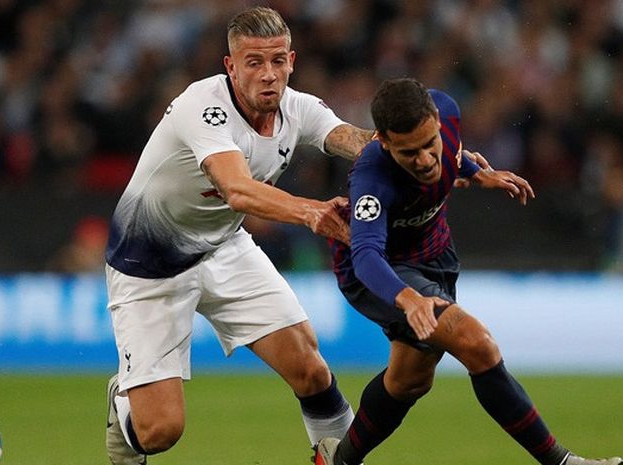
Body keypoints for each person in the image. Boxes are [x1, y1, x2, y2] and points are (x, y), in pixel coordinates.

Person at [103, 6, 376, 465]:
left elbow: (359, 142)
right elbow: (237, 189)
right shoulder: (202, 107)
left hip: (223, 247)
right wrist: (313, 213)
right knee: (160, 432)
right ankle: (123, 401)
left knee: (311, 369)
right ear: (231, 66)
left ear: (292, 60)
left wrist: (446, 156)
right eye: (253, 62)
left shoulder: (299, 108)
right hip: (148, 265)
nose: (268, 75)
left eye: (276, 62)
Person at [314, 78, 622, 465]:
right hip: (384, 272)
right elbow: (366, 257)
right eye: (409, 153)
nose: (425, 159)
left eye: (430, 144)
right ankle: (562, 462)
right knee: (477, 343)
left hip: (435, 255)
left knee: (410, 380)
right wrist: (410, 301)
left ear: (436, 121)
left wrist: (478, 172)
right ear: (383, 142)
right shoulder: (371, 179)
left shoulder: (446, 110)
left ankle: (337, 460)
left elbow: (455, 152)